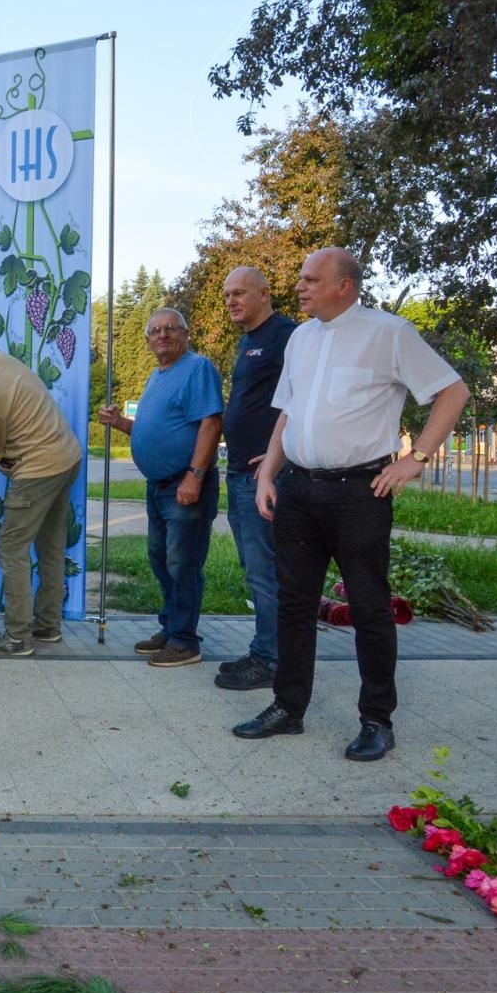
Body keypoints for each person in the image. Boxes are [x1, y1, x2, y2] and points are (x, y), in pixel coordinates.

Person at [234, 248, 469, 762]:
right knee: (295, 604)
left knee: (369, 607)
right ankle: (287, 707)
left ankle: (376, 720)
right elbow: (288, 413)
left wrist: (415, 459)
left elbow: (453, 392)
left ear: (345, 286)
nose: (300, 287)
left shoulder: (389, 332)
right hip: (298, 489)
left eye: (311, 279)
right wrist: (268, 472)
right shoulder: (301, 338)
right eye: (300, 278)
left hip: (360, 491)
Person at [97, 308, 223, 668]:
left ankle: (184, 641)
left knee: (183, 563)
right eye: (155, 331)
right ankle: (171, 627)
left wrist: (195, 476)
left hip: (185, 482)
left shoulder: (197, 368)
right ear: (148, 340)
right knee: (161, 557)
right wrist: (120, 423)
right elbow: (154, 428)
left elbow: (211, 423)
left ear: (186, 333)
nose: (163, 335)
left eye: (171, 328)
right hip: (159, 485)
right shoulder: (157, 375)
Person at [0, 349, 84, 656]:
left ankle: (17, 637)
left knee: (11, 547)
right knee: (50, 547)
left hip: (37, 470)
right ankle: (48, 626)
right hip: (66, 457)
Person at [214, 268, 298, 692]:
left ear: (265, 294)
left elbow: (306, 396)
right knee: (254, 569)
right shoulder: (248, 341)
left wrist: (283, 453)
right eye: (227, 295)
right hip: (240, 473)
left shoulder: (287, 336)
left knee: (266, 572)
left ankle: (273, 660)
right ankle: (265, 649)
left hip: (264, 477)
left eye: (239, 293)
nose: (231, 301)